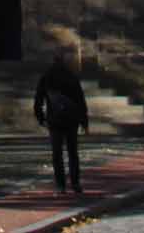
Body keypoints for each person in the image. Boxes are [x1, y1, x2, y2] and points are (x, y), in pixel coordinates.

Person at [34, 52, 89, 194]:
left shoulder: (46, 78)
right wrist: (84, 122)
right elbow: (80, 101)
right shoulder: (71, 77)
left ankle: (60, 185)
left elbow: (38, 100)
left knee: (57, 154)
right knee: (73, 153)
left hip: (55, 120)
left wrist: (41, 118)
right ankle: (75, 183)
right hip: (71, 120)